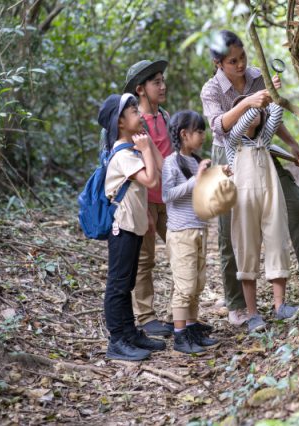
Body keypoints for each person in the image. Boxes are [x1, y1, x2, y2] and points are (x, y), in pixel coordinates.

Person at [200, 30, 299, 326]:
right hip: (229, 155)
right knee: (231, 232)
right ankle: (239, 306)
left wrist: (290, 143)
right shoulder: (211, 90)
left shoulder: (255, 75)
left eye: (243, 58)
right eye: (232, 61)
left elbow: (270, 114)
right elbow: (219, 127)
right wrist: (248, 102)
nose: (240, 65)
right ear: (218, 63)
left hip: (262, 149)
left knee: (296, 207)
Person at [99, 93, 166, 361]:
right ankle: (117, 340)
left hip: (133, 225)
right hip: (122, 228)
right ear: (121, 123)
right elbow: (150, 180)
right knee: (118, 284)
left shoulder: (129, 150)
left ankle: (130, 332)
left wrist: (146, 217)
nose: (140, 115)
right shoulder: (122, 153)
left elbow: (137, 190)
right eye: (134, 112)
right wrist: (148, 148)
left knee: (126, 282)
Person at [225, 95, 299, 332]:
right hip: (243, 200)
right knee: (246, 250)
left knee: (277, 242)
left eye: (259, 111)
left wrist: (274, 93)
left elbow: (276, 113)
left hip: (270, 194)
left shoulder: (264, 139)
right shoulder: (233, 139)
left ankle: (280, 305)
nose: (254, 113)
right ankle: (253, 313)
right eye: (251, 109)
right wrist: (253, 103)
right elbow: (244, 117)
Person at [162, 110, 221, 354]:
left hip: (199, 229)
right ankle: (179, 335)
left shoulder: (196, 161)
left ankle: (193, 327)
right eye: (198, 131)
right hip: (180, 232)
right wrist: (195, 179)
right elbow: (167, 195)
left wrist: (217, 176)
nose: (202, 135)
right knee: (184, 286)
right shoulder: (170, 163)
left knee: (197, 283)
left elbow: (203, 192)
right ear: (184, 134)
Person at [123, 59, 175, 337]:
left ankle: (177, 314)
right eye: (157, 82)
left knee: (183, 254)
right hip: (144, 199)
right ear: (141, 89)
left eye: (162, 80)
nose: (163, 86)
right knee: (145, 260)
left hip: (170, 200)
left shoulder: (165, 116)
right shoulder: (133, 122)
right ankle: (146, 317)